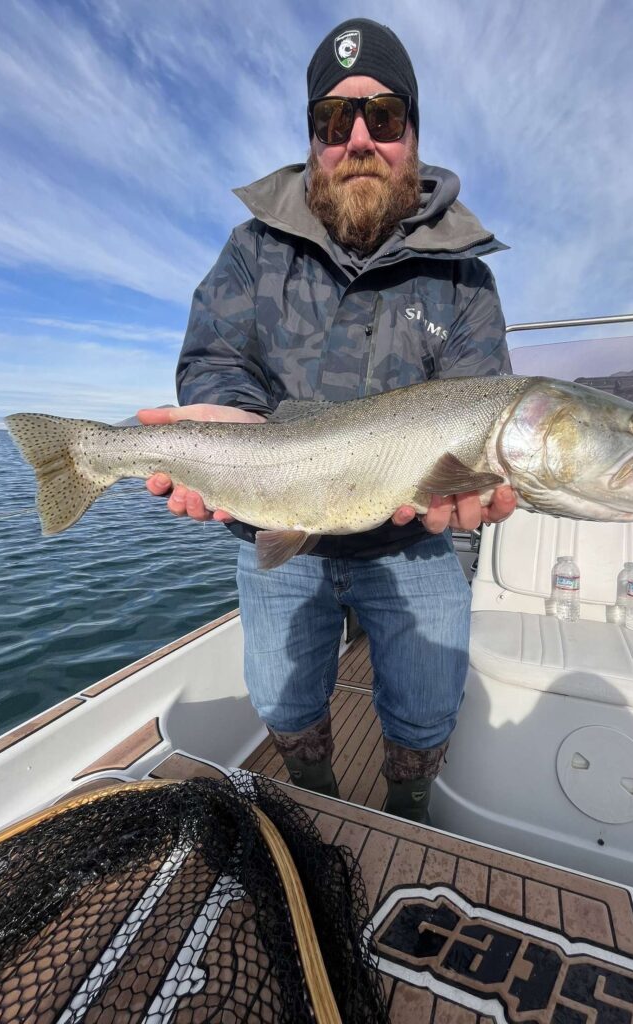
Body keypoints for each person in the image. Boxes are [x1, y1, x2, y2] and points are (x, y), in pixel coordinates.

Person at [138, 18, 516, 823]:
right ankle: (313, 799)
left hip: (411, 531)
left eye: (382, 117)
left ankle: (408, 802)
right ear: (312, 139)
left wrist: (479, 476)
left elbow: (480, 397)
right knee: (281, 692)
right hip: (274, 513)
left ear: (411, 132)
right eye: (331, 120)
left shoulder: (466, 277)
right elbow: (215, 361)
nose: (357, 139)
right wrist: (227, 423)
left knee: (426, 697)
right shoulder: (252, 250)